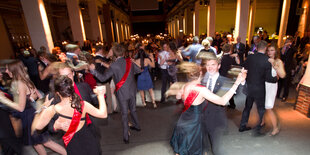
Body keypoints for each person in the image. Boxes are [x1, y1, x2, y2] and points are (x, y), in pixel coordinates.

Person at [169, 62, 247, 155]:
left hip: (182, 122)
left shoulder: (185, 86)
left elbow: (178, 97)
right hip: (194, 125)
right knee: (193, 150)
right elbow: (222, 101)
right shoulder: (201, 89)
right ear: (201, 73)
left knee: (181, 149)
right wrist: (236, 82)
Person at [0, 60, 66, 155]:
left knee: (46, 142)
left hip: (29, 117)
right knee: (37, 144)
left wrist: (3, 99)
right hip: (31, 115)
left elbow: (20, 108)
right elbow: (39, 95)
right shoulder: (24, 80)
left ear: (13, 69)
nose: (6, 71)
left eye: (7, 68)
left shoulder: (19, 83)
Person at [33, 76, 107, 155]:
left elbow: (38, 126)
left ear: (57, 92)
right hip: (90, 142)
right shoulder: (83, 105)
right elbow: (103, 114)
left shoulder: (52, 109)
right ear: (72, 89)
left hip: (73, 146)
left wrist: (44, 107)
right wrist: (100, 95)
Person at [89, 43, 141, 144]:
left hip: (122, 92)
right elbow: (138, 70)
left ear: (115, 53)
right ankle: (137, 126)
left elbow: (103, 78)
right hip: (132, 90)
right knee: (133, 109)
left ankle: (126, 136)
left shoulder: (114, 65)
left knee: (125, 114)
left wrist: (93, 70)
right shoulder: (129, 61)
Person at [239, 40, 278, 135]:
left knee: (247, 107)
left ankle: (242, 126)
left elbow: (243, 67)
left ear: (256, 47)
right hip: (260, 88)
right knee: (261, 108)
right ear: (265, 48)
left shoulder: (250, 57)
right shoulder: (267, 60)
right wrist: (275, 78)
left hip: (250, 86)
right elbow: (269, 78)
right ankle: (259, 128)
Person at [264, 44, 286, 136]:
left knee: (268, 107)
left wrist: (274, 63)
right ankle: (262, 122)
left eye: (272, 50)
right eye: (268, 50)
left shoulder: (278, 61)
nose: (269, 52)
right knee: (262, 105)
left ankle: (275, 128)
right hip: (263, 84)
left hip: (271, 86)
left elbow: (282, 75)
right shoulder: (265, 59)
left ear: (276, 51)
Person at [219, 44, 240, 109]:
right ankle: (232, 104)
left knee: (222, 92)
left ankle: (222, 104)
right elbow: (238, 64)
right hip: (230, 76)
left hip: (223, 76)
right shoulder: (231, 58)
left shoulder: (221, 58)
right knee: (229, 90)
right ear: (230, 50)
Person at [277, 37, 297, 102]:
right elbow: (281, 55)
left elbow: (295, 50)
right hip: (281, 67)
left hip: (288, 68)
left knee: (286, 83)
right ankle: (278, 94)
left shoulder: (292, 49)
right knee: (280, 82)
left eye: (289, 41)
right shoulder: (283, 48)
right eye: (287, 41)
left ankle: (284, 96)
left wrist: (291, 45)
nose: (287, 42)